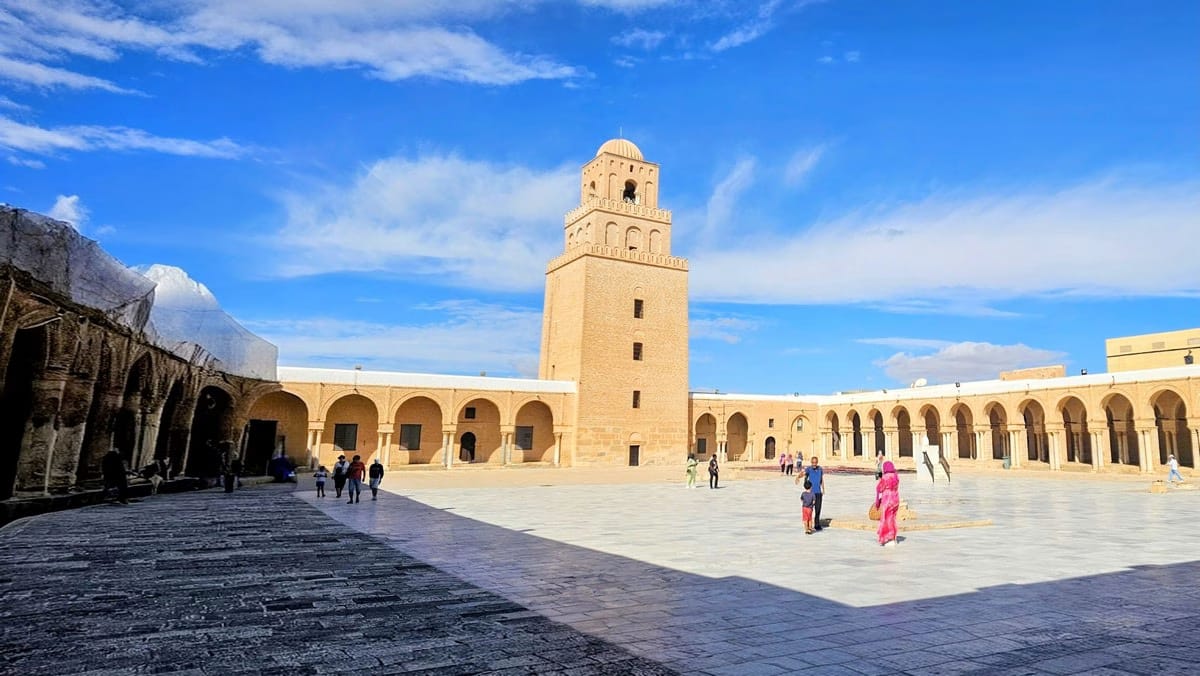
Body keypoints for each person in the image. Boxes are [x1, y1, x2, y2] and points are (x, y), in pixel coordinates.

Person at [875, 460, 901, 547]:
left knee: (886, 518)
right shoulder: (896, 476)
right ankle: (893, 537)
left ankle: (888, 538)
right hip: (895, 499)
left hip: (887, 499)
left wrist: (877, 502)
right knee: (892, 518)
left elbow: (879, 489)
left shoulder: (885, 477)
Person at [800, 456, 825, 531]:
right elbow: (803, 474)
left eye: (815, 462)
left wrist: (823, 489)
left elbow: (822, 480)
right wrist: (798, 477)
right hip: (811, 493)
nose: (814, 464)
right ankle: (808, 525)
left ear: (817, 462)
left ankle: (817, 524)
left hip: (818, 492)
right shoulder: (809, 469)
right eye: (813, 462)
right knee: (809, 510)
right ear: (811, 462)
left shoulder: (820, 469)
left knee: (818, 509)